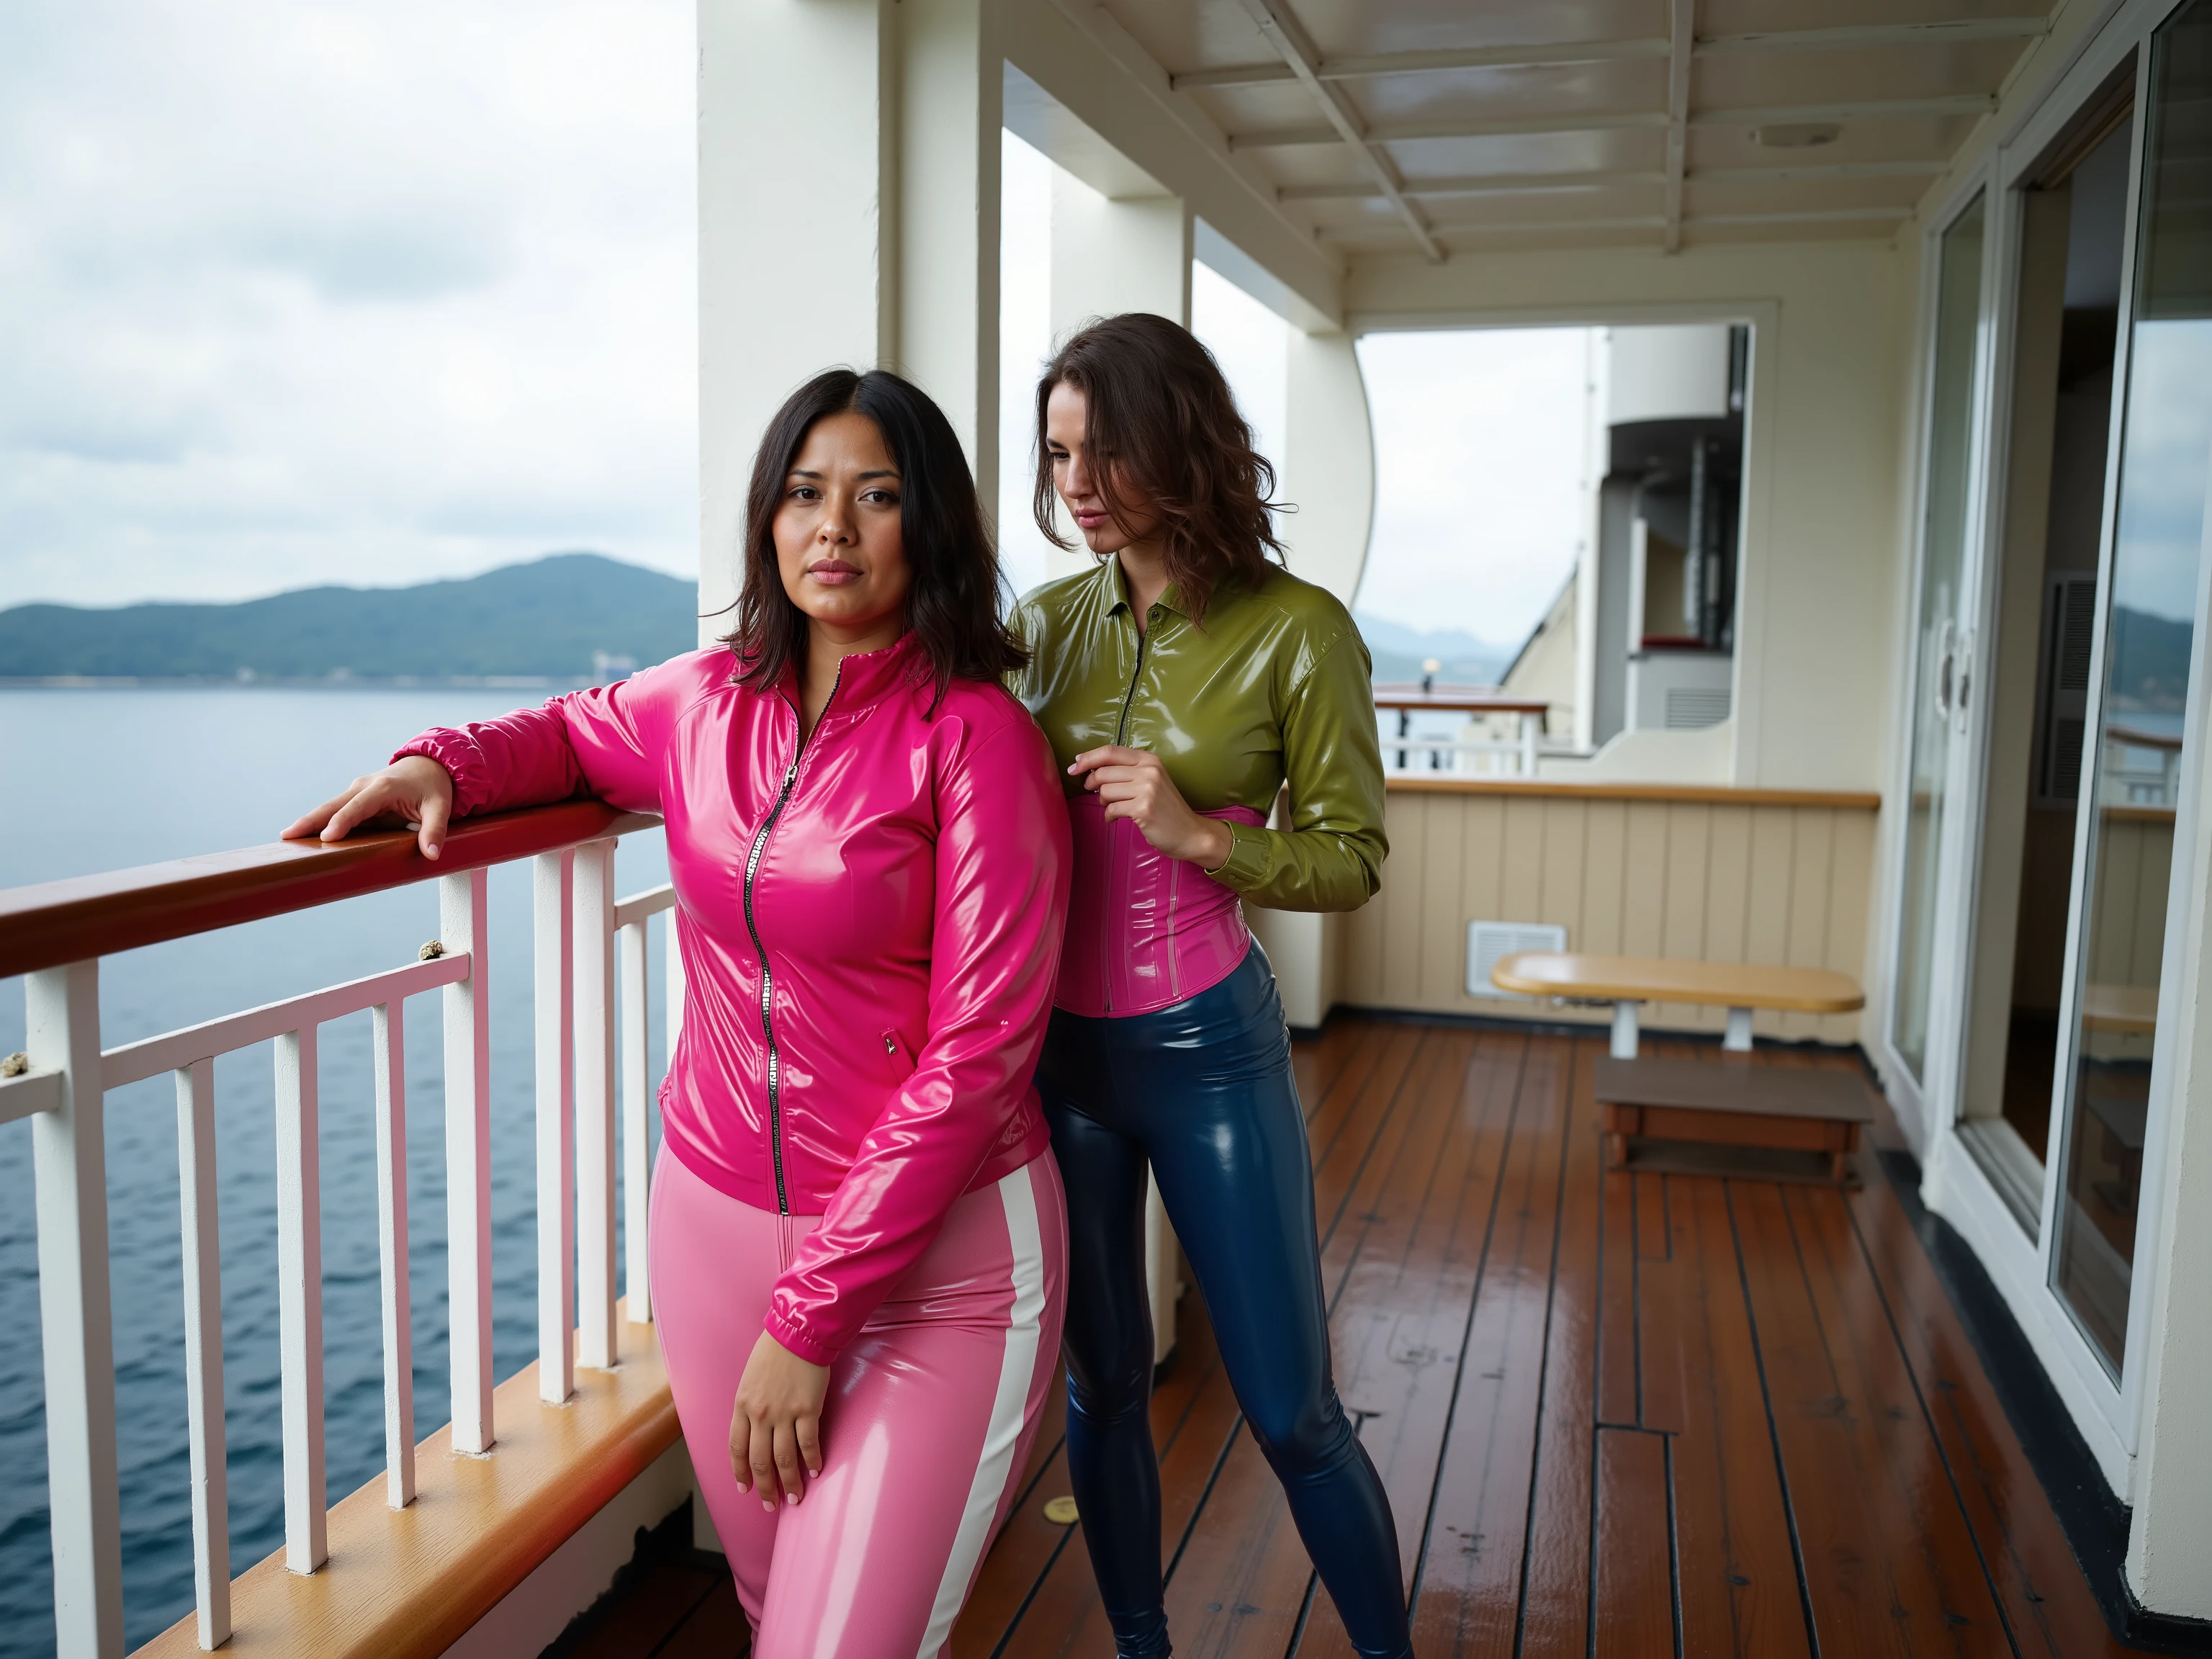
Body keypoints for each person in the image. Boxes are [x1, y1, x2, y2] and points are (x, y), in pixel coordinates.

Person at [287, 368, 1072, 1659]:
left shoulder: (976, 738)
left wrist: (812, 1315)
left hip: (945, 1267)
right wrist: (441, 762)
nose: (835, 528)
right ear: (767, 521)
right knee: (773, 1612)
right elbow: (562, 736)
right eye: (805, 495)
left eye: (876, 498)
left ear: (928, 526)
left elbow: (981, 1054)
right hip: (710, 1232)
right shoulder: (703, 702)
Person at [1009, 313, 1408, 1659]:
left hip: (1207, 1053)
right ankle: (1139, 1646)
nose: (1074, 484)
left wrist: (1199, 836)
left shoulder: (1300, 632)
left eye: (1102, 451)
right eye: (1058, 454)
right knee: (1104, 1380)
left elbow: (1354, 860)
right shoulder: (1043, 629)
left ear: (1179, 445)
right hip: (1059, 1060)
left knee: (1291, 1408)